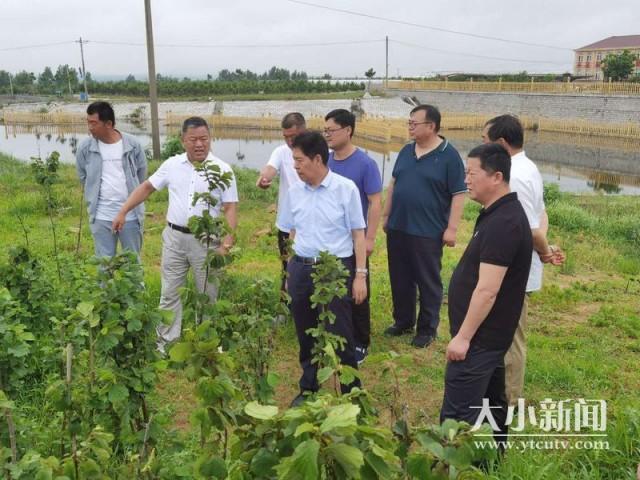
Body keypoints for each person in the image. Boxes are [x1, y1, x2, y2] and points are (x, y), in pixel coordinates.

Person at [113, 117, 238, 351]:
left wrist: (226, 244)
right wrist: (123, 211)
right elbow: (147, 187)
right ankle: (166, 342)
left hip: (207, 240)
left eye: (204, 139)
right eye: (193, 139)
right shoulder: (172, 165)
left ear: (210, 139)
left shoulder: (222, 170)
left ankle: (206, 343)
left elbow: (230, 207)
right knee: (170, 291)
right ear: (183, 141)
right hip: (174, 238)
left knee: (208, 293)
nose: (199, 144)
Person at [441, 143, 533, 445]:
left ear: (496, 177)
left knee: (457, 413)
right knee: (492, 401)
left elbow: (488, 290)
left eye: (471, 173)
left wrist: (464, 337)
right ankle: (493, 458)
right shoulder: (498, 213)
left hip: (480, 338)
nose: (466, 179)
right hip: (490, 337)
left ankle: (451, 463)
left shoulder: (504, 223)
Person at [279, 131, 367, 406]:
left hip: (334, 269)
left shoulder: (345, 189)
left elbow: (358, 234)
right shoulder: (294, 192)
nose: (295, 166)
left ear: (317, 159)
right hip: (302, 269)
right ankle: (308, 388)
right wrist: (288, 272)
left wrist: (360, 275)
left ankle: (352, 392)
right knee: (306, 333)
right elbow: (289, 232)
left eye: (300, 160)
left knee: (341, 333)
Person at [482, 114, 565, 405]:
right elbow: (542, 215)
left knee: (511, 335)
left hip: (514, 270)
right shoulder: (528, 166)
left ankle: (509, 398)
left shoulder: (513, 175)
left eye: (485, 141)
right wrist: (544, 246)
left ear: (502, 143)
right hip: (520, 264)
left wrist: (543, 251)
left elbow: (528, 227)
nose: (482, 147)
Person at [382, 104, 466, 348]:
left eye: (414, 123)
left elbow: (459, 194)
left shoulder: (449, 156)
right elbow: (394, 184)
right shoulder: (406, 151)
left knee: (428, 280)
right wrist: (386, 215)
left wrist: (452, 229)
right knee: (399, 277)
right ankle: (403, 321)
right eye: (409, 122)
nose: (410, 126)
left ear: (431, 126)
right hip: (399, 226)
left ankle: (427, 329)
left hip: (428, 230)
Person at [324, 108, 382, 364]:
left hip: (354, 240)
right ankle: (332, 334)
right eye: (324, 130)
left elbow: (375, 203)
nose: (327, 135)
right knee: (329, 289)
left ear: (347, 130)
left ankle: (360, 342)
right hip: (328, 240)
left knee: (357, 291)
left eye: (331, 130)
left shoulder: (365, 164)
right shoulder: (325, 161)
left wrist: (369, 238)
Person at [76, 101, 147, 257]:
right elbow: (83, 177)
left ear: (108, 124)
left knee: (132, 264)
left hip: (131, 215)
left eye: (94, 123)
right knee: (104, 266)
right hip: (101, 216)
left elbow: (142, 176)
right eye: (88, 123)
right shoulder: (85, 148)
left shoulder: (132, 145)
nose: (90, 128)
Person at [256, 113, 306, 307]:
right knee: (288, 266)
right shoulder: (281, 152)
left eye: (293, 136)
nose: (289, 141)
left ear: (304, 129)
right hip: (288, 222)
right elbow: (270, 169)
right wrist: (264, 179)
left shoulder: (319, 150)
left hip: (312, 221)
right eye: (285, 136)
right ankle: (285, 308)